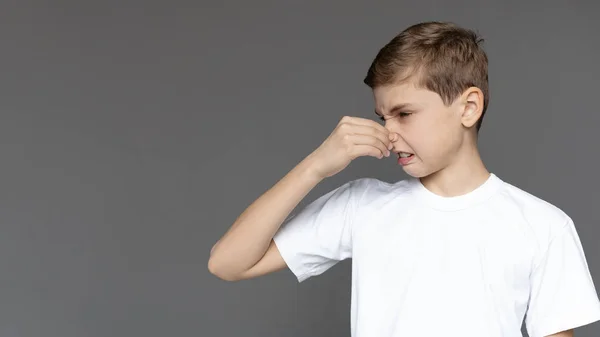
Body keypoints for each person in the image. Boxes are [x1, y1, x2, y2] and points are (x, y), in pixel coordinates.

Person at [207, 21, 600, 337]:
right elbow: (227, 263)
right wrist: (315, 166)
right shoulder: (361, 206)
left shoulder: (543, 226)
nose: (388, 132)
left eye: (405, 113)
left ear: (469, 107)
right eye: (383, 117)